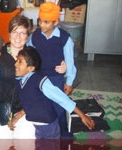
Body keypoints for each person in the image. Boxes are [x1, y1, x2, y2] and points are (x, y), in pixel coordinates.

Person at [0, 15, 66, 139]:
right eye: (15, 32)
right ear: (9, 34)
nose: (18, 37)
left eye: (22, 33)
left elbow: (42, 81)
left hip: (25, 109)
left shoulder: (32, 55)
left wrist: (63, 67)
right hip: (0, 109)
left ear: (27, 36)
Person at [9, 47, 95, 139]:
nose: (15, 64)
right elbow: (31, 102)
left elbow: (60, 98)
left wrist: (82, 115)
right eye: (17, 60)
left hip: (48, 128)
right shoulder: (19, 81)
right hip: (36, 126)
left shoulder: (39, 80)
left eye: (20, 61)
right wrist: (18, 116)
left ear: (30, 68)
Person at [27, 2, 77, 138]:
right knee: (42, 108)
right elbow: (28, 53)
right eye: (40, 21)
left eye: (46, 22)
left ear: (56, 22)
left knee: (59, 109)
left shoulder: (64, 38)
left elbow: (70, 63)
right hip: (39, 78)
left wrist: (69, 81)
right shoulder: (35, 36)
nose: (41, 25)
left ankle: (64, 135)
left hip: (55, 79)